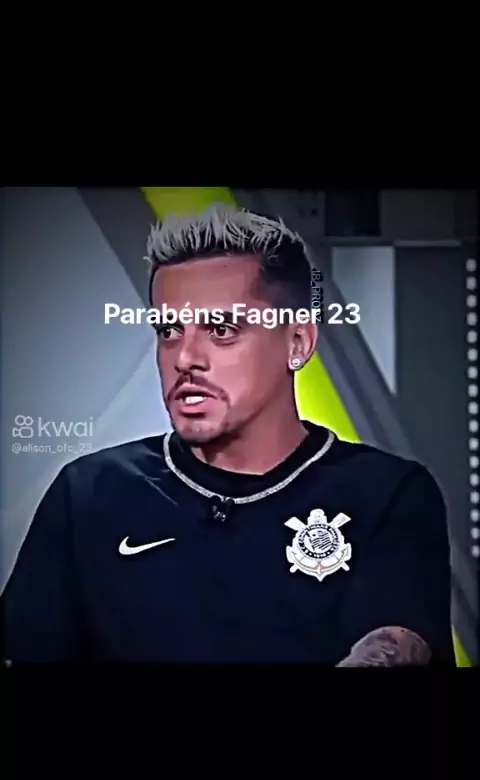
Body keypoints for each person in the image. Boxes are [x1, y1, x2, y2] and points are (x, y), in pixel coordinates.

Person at [2, 205, 455, 664]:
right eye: (169, 331)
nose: (185, 358)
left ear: (298, 343)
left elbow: (396, 644)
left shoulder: (386, 494)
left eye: (221, 329)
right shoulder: (90, 493)